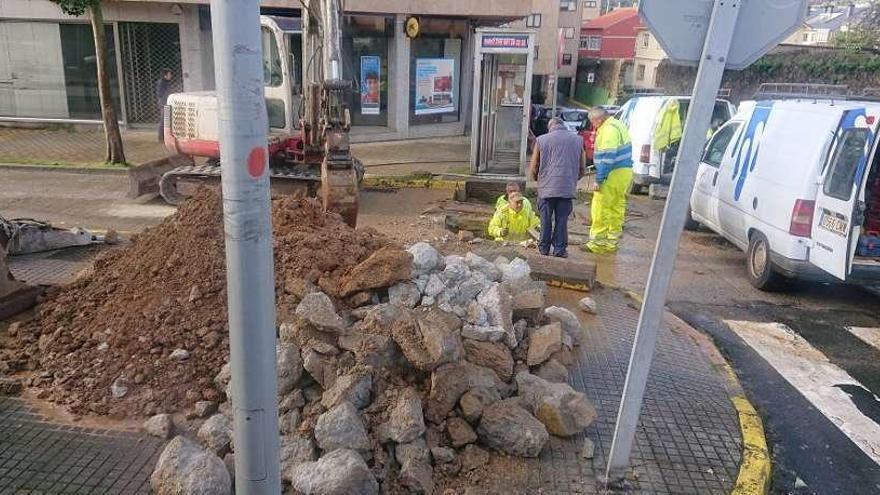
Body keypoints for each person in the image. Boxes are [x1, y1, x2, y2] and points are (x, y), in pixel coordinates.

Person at [529, 117, 585, 258]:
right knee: (562, 219)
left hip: (546, 188)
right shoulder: (578, 140)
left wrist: (537, 179)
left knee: (545, 219)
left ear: (550, 127)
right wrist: (574, 179)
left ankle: (543, 249)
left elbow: (534, 164)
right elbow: (582, 166)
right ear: (563, 126)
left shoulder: (541, 140)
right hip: (567, 188)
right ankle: (560, 250)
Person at [584, 107, 633, 254]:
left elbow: (608, 156)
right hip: (624, 172)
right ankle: (612, 242)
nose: (593, 125)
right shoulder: (618, 124)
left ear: (598, 119)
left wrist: (599, 179)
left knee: (601, 207)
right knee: (616, 207)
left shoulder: (608, 130)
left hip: (612, 173)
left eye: (592, 122)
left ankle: (597, 244)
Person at [156, 68, 174, 143]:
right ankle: (161, 137)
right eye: (169, 74)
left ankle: (164, 136)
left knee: (166, 120)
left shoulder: (166, 82)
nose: (171, 76)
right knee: (164, 120)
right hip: (164, 103)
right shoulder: (162, 83)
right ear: (165, 75)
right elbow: (160, 94)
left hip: (166, 102)